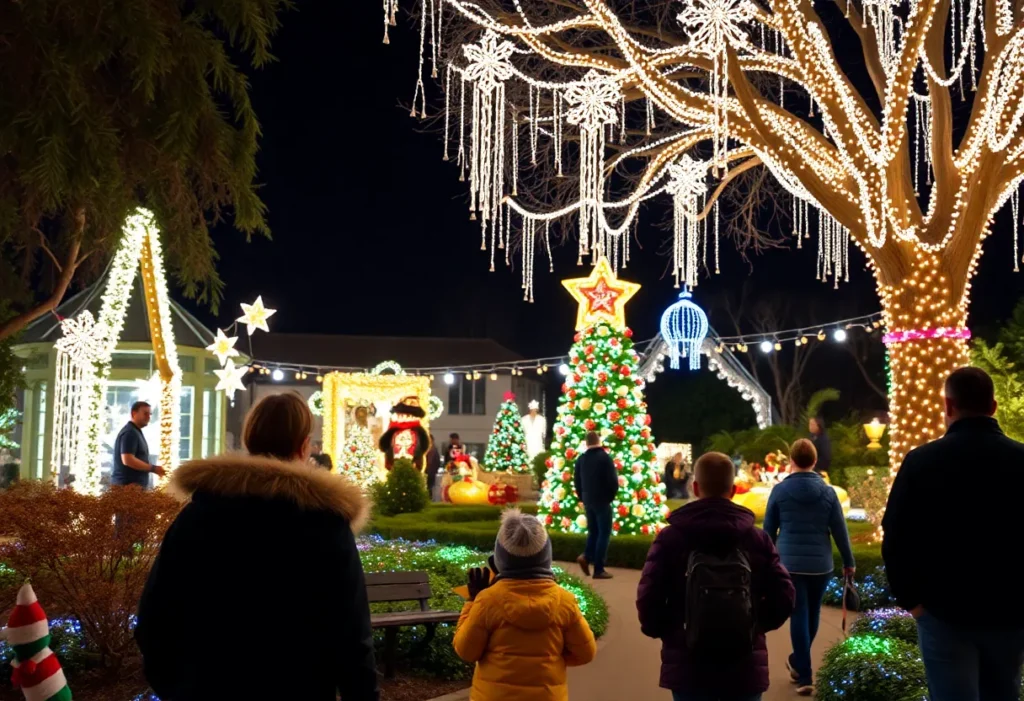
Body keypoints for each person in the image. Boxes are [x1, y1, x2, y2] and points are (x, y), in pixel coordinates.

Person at [135, 392, 379, 701]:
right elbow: (352, 634)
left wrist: (177, 686)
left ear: (249, 440)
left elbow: (156, 613)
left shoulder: (200, 514)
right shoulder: (325, 523)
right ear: (303, 446)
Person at [883, 367, 1024, 701]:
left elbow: (895, 536)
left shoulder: (921, 462)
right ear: (993, 406)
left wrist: (912, 602)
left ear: (948, 405)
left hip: (943, 612)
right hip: (1010, 611)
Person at [636, 451, 795, 701]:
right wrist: (756, 624)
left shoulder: (670, 538)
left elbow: (648, 598)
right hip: (744, 665)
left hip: (689, 666)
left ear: (695, 487)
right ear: (732, 490)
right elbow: (785, 594)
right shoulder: (756, 539)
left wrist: (670, 631)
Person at [453, 508, 597, 700]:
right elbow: (585, 653)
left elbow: (466, 651)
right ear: (546, 555)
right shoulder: (564, 601)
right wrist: (554, 659)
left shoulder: (488, 600)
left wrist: (472, 602)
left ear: (500, 557)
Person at [763, 439, 854, 696]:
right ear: (814, 461)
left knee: (799, 615)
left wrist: (762, 562)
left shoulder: (779, 491)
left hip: (789, 565)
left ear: (791, 460)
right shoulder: (828, 492)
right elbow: (840, 531)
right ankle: (798, 663)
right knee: (811, 614)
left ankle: (804, 673)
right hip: (820, 565)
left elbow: (768, 531)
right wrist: (849, 562)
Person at [573, 431, 618, 580]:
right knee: (604, 533)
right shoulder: (604, 458)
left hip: (588, 500)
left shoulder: (581, 459)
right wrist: (610, 497)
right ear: (599, 441)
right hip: (602, 500)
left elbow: (577, 481)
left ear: (586, 443)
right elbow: (612, 481)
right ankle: (599, 568)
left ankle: (586, 556)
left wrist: (582, 497)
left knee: (593, 531)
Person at [112, 401, 165, 489]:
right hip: (128, 490)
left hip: (132, 489)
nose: (148, 417)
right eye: (145, 414)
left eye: (150, 414)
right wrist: (153, 468)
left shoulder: (134, 431)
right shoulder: (130, 433)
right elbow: (128, 459)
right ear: (134, 413)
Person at [426, 434, 442, 500]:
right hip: (426, 471)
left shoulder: (434, 450)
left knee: (430, 487)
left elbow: (437, 462)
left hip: (431, 472)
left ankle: (429, 499)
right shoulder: (426, 449)